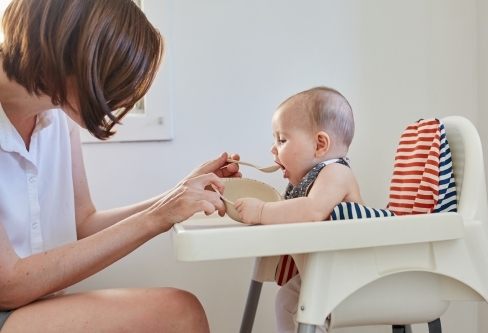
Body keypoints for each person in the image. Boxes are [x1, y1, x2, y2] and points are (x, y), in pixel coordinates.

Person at [0, 0, 240, 332]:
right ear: (67, 50)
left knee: (180, 310)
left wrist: (178, 196)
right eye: (113, 78)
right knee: (180, 314)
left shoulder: (58, 115)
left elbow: (83, 223)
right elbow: (8, 286)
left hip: (34, 305)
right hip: (10, 304)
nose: (121, 99)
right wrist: (158, 217)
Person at [234, 86, 364, 333]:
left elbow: (313, 210)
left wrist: (262, 211)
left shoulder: (336, 172)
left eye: (282, 140)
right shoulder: (304, 181)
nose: (273, 149)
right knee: (286, 302)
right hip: (319, 271)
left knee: (302, 308)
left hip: (348, 274)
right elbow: (285, 208)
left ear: (320, 144)